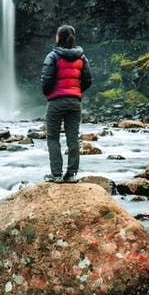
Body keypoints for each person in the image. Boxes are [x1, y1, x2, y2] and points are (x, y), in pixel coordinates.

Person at [40, 24, 92, 183]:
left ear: (59, 37)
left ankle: (56, 174)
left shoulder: (53, 56)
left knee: (53, 138)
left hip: (56, 102)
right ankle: (71, 175)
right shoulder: (82, 57)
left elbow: (46, 80)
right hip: (74, 102)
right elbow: (88, 80)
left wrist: (49, 93)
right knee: (73, 139)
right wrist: (76, 91)